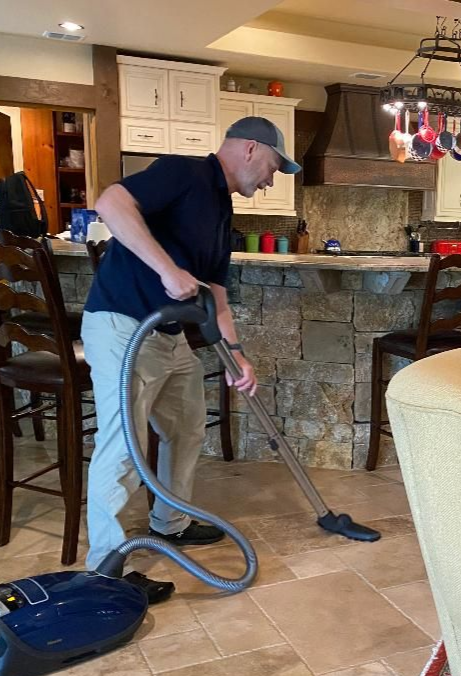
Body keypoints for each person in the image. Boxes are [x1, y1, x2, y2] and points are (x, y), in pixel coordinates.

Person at [81, 116, 301, 603]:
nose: (271, 180)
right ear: (249, 148)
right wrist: (167, 269)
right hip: (122, 326)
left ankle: (169, 522)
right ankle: (106, 567)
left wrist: (236, 356)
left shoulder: (223, 214)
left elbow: (217, 299)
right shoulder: (185, 173)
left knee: (186, 425)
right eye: (272, 166)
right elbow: (110, 201)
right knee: (123, 446)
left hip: (167, 336)